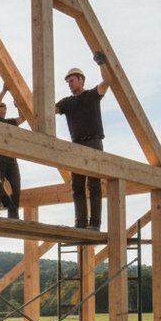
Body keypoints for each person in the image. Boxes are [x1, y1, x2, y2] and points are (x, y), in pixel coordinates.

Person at [54, 52, 111, 229]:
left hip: (93, 142)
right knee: (77, 185)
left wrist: (101, 63)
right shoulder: (67, 103)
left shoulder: (92, 95)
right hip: (77, 145)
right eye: (68, 82)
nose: (70, 84)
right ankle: (80, 223)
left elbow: (107, 82)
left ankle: (94, 223)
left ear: (81, 80)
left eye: (72, 81)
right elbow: (50, 109)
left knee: (94, 183)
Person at [0, 84, 24, 219]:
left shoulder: (10, 122)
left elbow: (23, 118)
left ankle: (13, 218)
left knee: (16, 188)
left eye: (4, 108)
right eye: (1, 107)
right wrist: (3, 91)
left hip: (11, 159)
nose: (2, 109)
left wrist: (18, 105)